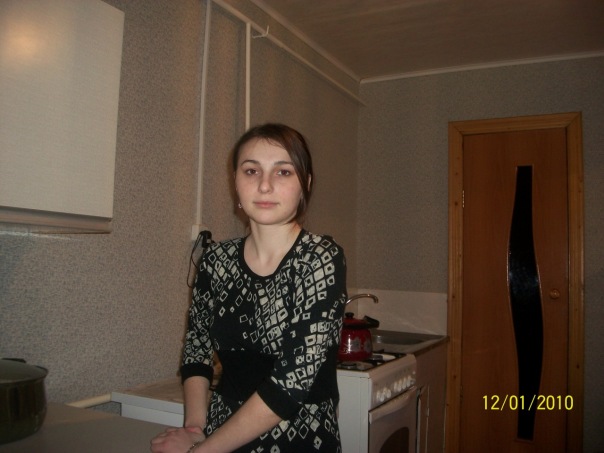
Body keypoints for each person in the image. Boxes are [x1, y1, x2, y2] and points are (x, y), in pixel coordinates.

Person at [151, 123, 347, 453]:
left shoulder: (320, 258)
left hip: (301, 440)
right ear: (236, 183)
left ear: (306, 184)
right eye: (251, 171)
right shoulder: (215, 260)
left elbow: (291, 383)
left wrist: (202, 452)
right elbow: (197, 348)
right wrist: (196, 430)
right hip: (221, 435)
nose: (265, 185)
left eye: (283, 172)